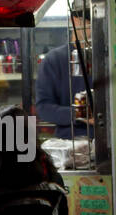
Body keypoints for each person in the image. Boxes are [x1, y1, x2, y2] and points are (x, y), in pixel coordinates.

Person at [35, 8, 92, 140]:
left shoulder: (107, 58)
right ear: (74, 21)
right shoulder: (54, 60)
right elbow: (44, 108)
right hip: (69, 143)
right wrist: (80, 115)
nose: (94, 29)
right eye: (90, 23)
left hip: (111, 142)